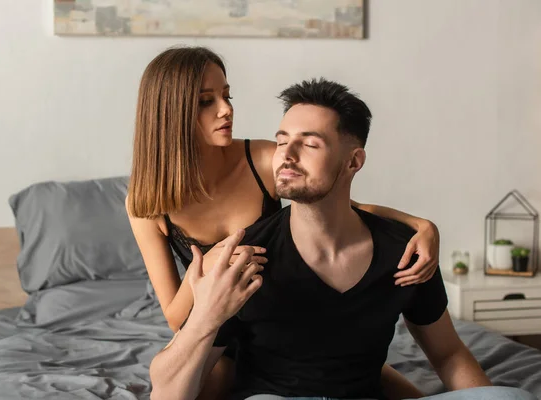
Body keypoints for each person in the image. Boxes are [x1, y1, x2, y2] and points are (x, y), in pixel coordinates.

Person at [147, 78, 537, 400]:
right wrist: (207, 316)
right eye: (282, 141)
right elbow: (166, 392)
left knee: (511, 398)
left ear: (353, 161)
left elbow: (449, 353)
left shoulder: (405, 252)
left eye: (310, 143)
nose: (287, 154)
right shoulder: (245, 259)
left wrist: (424, 226)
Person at [126, 46, 439, 399]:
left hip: (285, 315)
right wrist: (213, 262)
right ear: (169, 113)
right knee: (195, 384)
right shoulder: (146, 204)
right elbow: (174, 318)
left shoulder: (261, 159)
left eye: (227, 95)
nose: (226, 109)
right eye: (206, 101)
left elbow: (341, 204)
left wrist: (421, 225)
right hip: (217, 325)